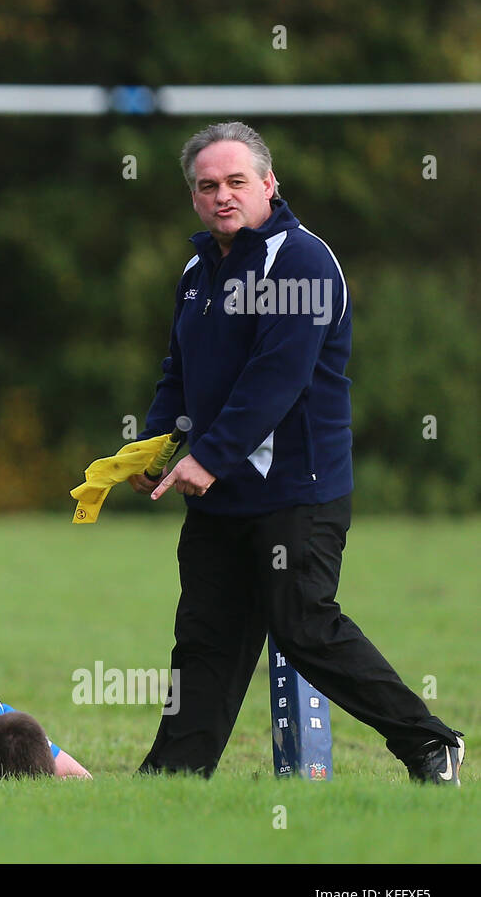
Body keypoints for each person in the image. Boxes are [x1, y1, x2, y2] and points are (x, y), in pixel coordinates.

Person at [130, 121, 463, 784]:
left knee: (304, 625)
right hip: (218, 493)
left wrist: (210, 456)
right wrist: (157, 448)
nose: (222, 195)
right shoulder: (199, 271)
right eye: (207, 185)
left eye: (236, 181)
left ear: (268, 184)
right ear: (193, 197)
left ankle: (430, 743)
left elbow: (276, 379)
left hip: (296, 493)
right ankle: (172, 779)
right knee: (204, 639)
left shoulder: (303, 260)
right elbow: (178, 374)